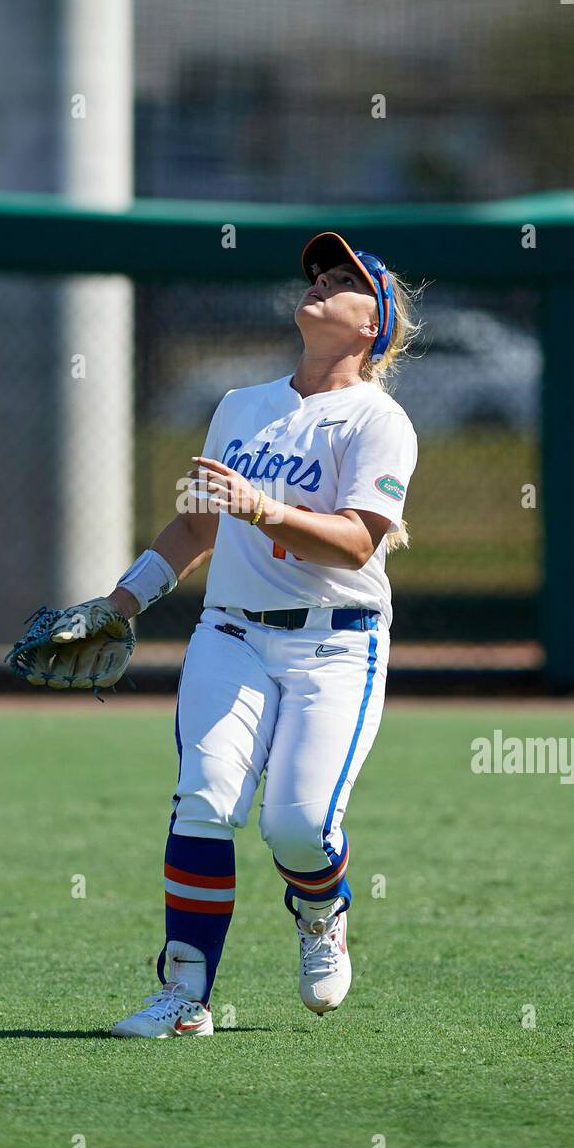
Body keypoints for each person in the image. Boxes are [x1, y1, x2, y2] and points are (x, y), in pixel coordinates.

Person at [111, 232, 419, 1036]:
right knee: (204, 803)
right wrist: (119, 604)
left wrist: (264, 509)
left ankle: (321, 911)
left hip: (339, 643)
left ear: (373, 325)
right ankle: (184, 996)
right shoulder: (240, 405)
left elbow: (357, 541)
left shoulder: (378, 420)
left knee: (298, 824)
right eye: (320, 271)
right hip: (231, 633)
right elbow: (194, 526)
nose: (322, 279)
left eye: (346, 279)